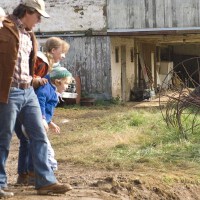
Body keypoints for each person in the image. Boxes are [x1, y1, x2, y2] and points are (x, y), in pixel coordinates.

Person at [0, 0, 72, 198]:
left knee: (39, 135)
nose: (40, 20)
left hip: (28, 91)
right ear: (28, 12)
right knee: (3, 138)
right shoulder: (3, 27)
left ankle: (45, 182)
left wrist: (34, 79)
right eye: (38, 16)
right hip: (8, 91)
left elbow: (24, 64)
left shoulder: (29, 34)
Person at [16, 37, 71, 185]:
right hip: (23, 102)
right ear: (53, 50)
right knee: (35, 140)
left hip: (22, 102)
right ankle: (38, 176)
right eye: (62, 52)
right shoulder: (42, 62)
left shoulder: (47, 66)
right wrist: (37, 80)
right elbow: (26, 77)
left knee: (27, 140)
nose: (63, 55)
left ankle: (25, 175)